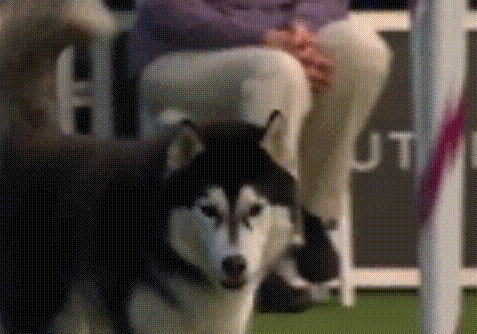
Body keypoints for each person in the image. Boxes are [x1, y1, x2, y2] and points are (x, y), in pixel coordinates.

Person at [130, 0, 391, 311]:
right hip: (183, 55)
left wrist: (301, 32)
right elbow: (167, 10)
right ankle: (258, 255)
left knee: (361, 51)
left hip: (281, 46)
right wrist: (264, 37)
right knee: (279, 71)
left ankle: (310, 212)